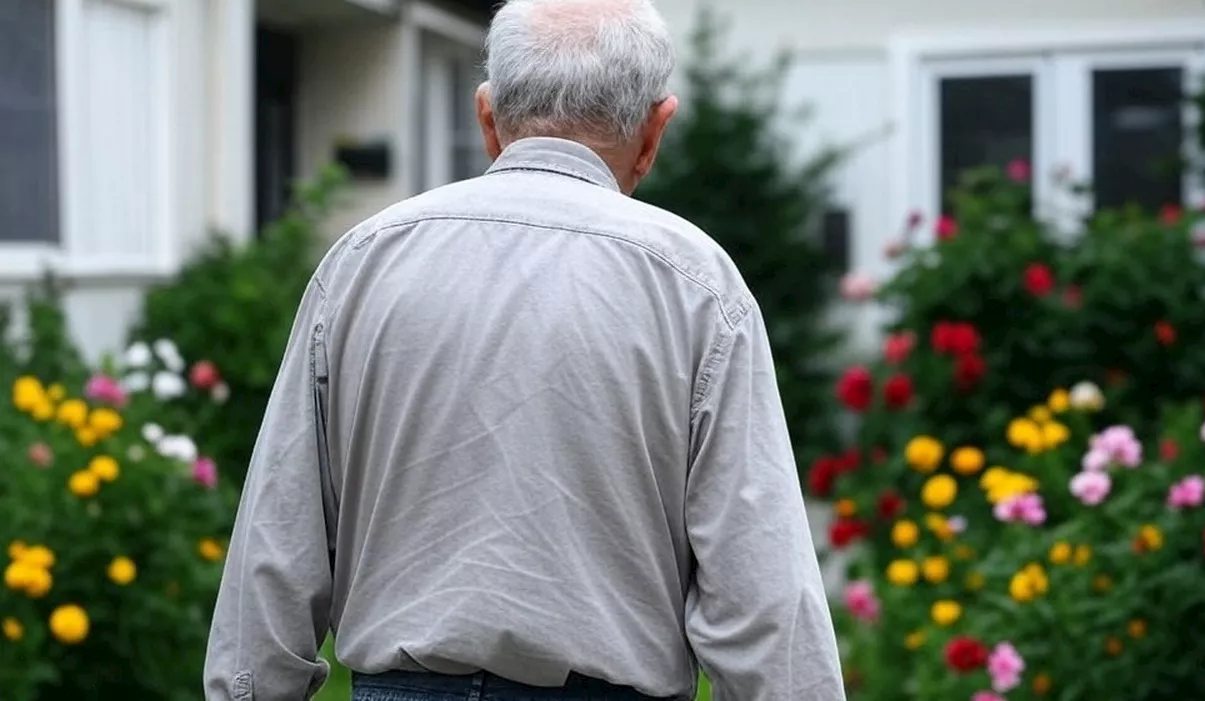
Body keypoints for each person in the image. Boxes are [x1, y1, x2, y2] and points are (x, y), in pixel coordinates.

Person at [202, 0, 843, 699]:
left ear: (488, 117)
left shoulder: (363, 263)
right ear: (655, 130)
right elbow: (763, 593)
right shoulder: (695, 284)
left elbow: (276, 544)